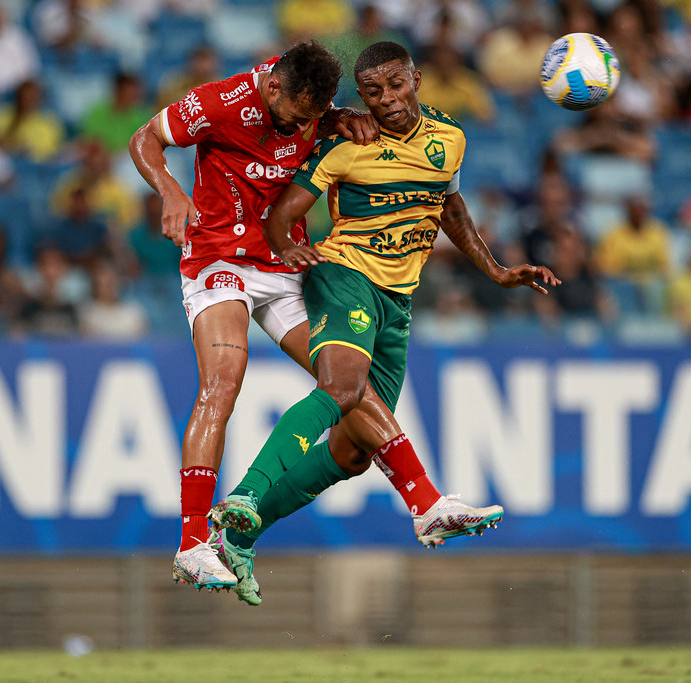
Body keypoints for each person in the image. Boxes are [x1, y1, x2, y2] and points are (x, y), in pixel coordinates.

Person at [128, 41, 503, 596]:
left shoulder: (316, 111)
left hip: (285, 267)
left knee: (347, 386)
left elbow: (322, 127)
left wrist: (336, 118)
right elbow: (146, 140)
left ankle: (426, 504)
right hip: (219, 258)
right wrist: (169, 190)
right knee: (223, 384)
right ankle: (191, 545)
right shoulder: (221, 101)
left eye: (313, 117)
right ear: (274, 87)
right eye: (296, 116)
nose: (299, 127)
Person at [209, 41, 558, 603]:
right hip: (343, 276)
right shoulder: (345, 143)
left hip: (398, 300)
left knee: (352, 452)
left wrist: (495, 271)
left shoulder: (450, 140)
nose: (387, 99)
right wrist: (287, 248)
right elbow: (283, 215)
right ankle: (251, 493)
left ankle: (239, 541)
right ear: (361, 97)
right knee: (342, 387)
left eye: (396, 85)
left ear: (416, 79)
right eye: (372, 91)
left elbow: (449, 206)